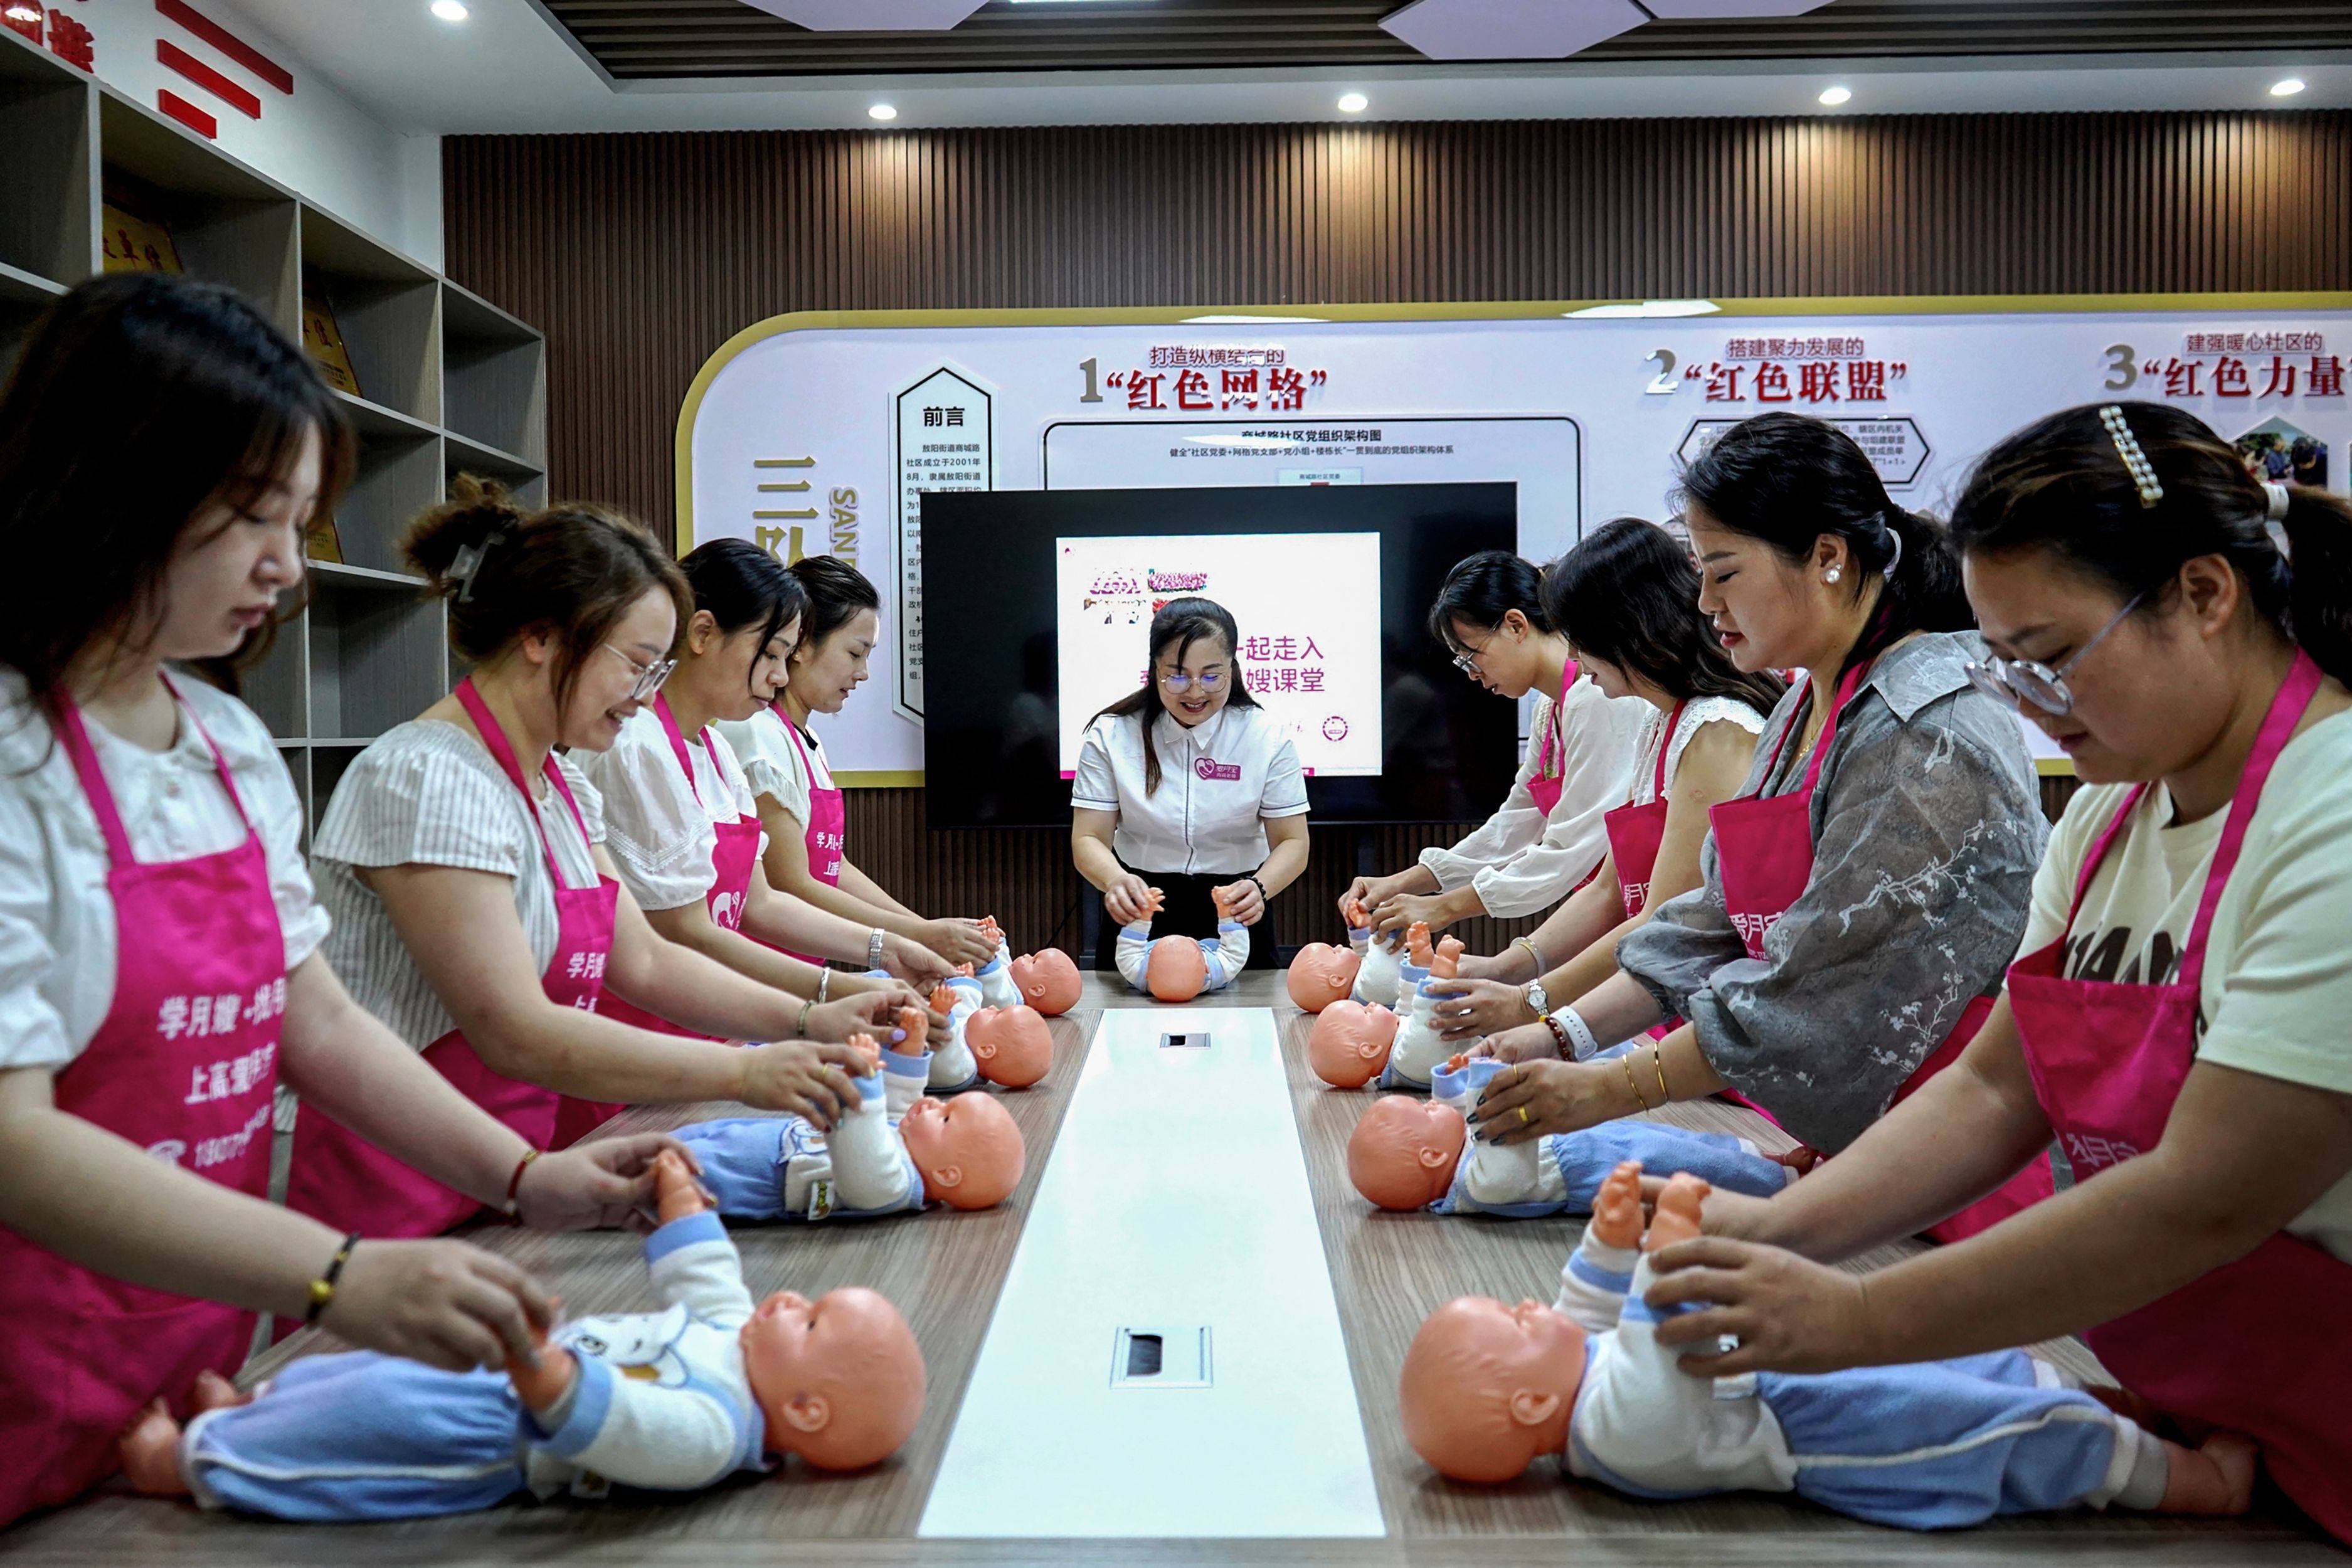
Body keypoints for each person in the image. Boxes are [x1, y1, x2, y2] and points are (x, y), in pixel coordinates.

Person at [0, 275, 687, 1528]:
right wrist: (334, 1271)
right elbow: (16, 1136)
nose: (288, 563)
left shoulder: (220, 742)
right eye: (252, 516)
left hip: (187, 1364)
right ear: (110, 484)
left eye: (302, 518)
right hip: (26, 1367)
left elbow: (312, 1021)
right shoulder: (13, 753)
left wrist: (524, 1174)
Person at [1631, 403, 2352, 1547]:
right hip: (2209, 1423)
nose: (2031, 704)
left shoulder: (2333, 812)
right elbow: (1995, 1091)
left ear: (2205, 596)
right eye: (2007, 662)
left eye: (2056, 656)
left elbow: (2210, 1191)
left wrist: (1858, 1316)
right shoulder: (2113, 815)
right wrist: (1770, 1241)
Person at [1469, 413, 2053, 1244]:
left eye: (1724, 573)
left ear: (1827, 556)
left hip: (1958, 1177)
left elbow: (1814, 987)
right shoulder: (1800, 708)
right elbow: (1709, 918)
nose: (1705, 603)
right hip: (1862, 1156)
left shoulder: (1926, 732)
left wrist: (1604, 1087)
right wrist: (1559, 1031)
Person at [286, 484, 895, 1243]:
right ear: (543, 637)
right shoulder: (428, 778)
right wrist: (747, 1072)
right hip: (398, 1185)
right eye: (639, 665)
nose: (646, 696)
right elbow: (512, 1029)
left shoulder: (561, 783)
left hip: (513, 1164)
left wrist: (810, 1019)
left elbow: (640, 957)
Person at [569, 541, 950, 1142]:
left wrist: (886, 949)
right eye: (771, 653)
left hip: (708, 1037)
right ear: (702, 633)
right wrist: (831, 996)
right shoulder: (638, 746)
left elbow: (759, 903)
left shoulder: (716, 751)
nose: (780, 674)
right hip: (639, 1057)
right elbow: (684, 932)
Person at [1423, 520, 1781, 1039]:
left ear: (1626, 626)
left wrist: (1531, 1004)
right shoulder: (1661, 723)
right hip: (1667, 1005)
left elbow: (1662, 922)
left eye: (1579, 637)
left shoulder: (1716, 731)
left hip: (1719, 1016)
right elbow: (1608, 893)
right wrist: (1504, 971)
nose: (1571, 654)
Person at [1341, 550, 1648, 941]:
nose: (1472, 675)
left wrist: (1443, 906)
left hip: (1635, 904)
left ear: (1516, 625)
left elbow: (1572, 845)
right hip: (1609, 905)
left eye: (1471, 656)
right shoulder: (1551, 708)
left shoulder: (1595, 696)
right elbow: (1516, 824)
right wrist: (1406, 882)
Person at [718, 556, 993, 970]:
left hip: (802, 967)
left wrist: (923, 929)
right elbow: (790, 884)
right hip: (762, 975)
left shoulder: (804, 739)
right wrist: (916, 937)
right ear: (802, 644)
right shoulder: (758, 735)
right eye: (854, 653)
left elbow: (833, 869)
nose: (862, 673)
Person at [1071, 597, 1310, 971]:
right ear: (1154, 669)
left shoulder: (1266, 737)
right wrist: (1116, 880)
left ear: (1233, 667)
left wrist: (1260, 888)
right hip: (1142, 903)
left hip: (1234, 905)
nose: (1195, 691)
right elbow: (1088, 838)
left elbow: (1293, 842)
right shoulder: (1112, 735)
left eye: (1212, 675)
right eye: (1177, 675)